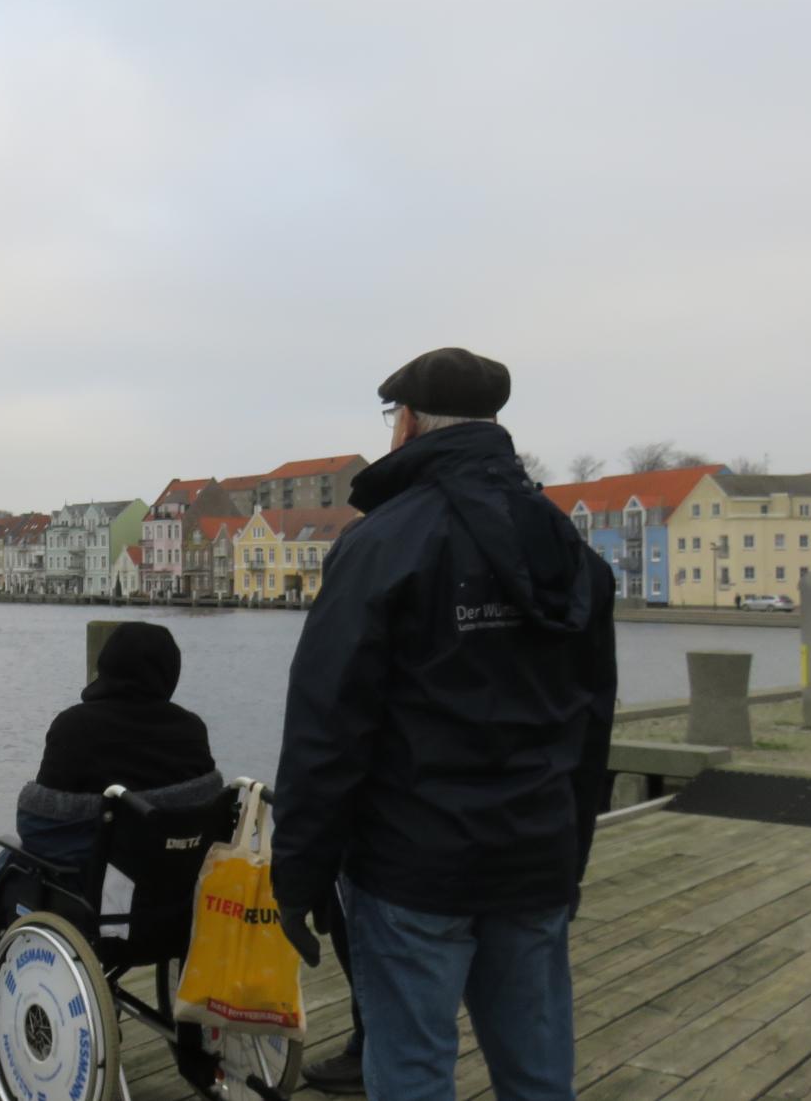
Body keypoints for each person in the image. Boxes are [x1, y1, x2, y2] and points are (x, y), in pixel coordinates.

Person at [270, 347, 617, 1100]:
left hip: (413, 864)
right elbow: (593, 720)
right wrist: (571, 855)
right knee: (537, 1072)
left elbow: (327, 728)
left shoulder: (380, 545)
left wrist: (297, 873)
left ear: (407, 423)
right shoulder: (567, 549)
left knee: (412, 1069)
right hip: (534, 855)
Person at [0, 622, 219, 1039]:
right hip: (175, 911)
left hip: (99, 914)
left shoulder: (75, 728)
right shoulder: (191, 732)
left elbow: (37, 827)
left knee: (11, 861)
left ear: (107, 666)